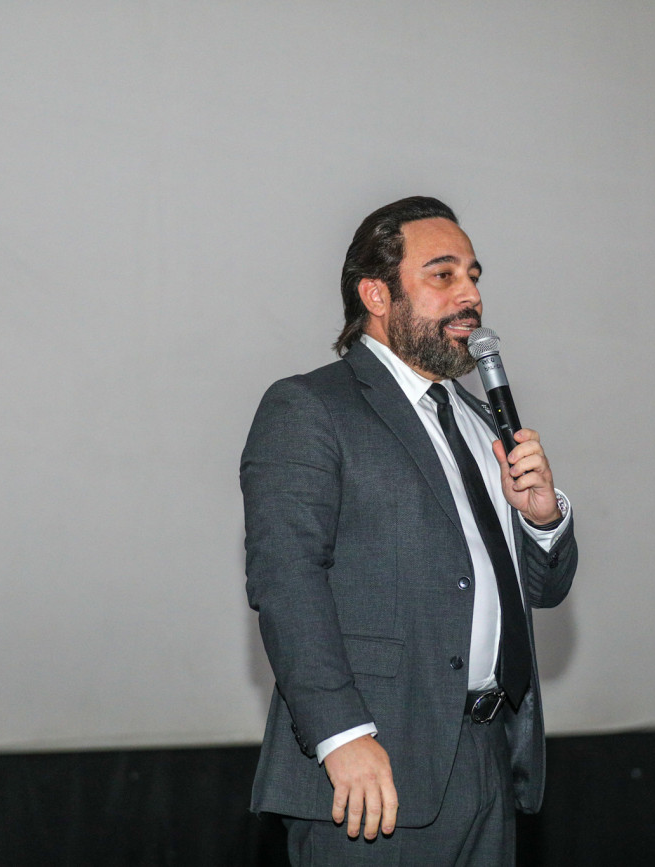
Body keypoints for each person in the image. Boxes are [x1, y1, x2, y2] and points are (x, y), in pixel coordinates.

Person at [241, 196, 578, 865]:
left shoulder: (482, 421)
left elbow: (541, 591)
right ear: (376, 294)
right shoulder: (311, 407)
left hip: (488, 759)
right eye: (443, 274)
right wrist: (342, 736)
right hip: (374, 768)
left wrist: (543, 520)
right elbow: (287, 580)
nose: (470, 295)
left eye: (473, 276)